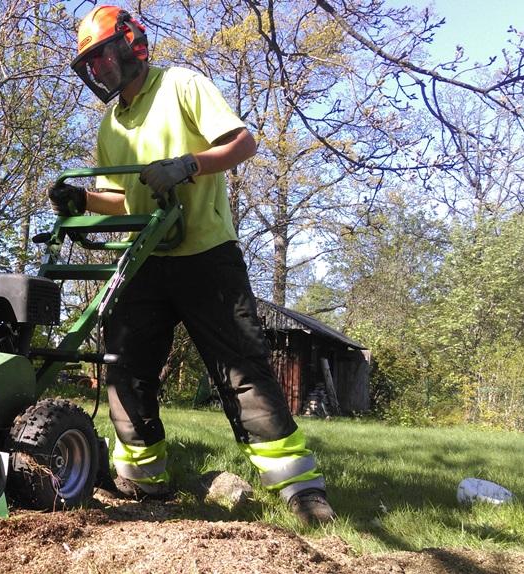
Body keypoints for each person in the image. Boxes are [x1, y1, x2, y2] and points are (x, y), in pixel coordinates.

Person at [49, 5, 336, 525]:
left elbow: (242, 142)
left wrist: (190, 164)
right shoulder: (111, 123)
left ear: (131, 45)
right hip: (144, 258)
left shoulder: (180, 84)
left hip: (206, 255)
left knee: (241, 369)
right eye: (89, 63)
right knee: (125, 369)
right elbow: (124, 198)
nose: (99, 69)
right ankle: (143, 480)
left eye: (103, 56)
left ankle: (299, 487)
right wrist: (83, 200)